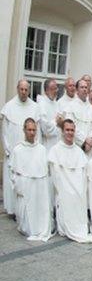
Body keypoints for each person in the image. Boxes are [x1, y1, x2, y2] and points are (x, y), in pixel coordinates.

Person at [47, 120, 92, 242]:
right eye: (67, 130)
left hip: (78, 189)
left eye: (72, 130)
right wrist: (67, 189)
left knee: (79, 199)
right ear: (62, 131)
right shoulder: (55, 150)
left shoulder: (79, 151)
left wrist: (78, 189)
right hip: (63, 190)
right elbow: (56, 174)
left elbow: (83, 173)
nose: (70, 132)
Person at [9, 118, 54, 241]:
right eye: (29, 129)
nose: (32, 132)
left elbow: (45, 172)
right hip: (26, 186)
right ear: (24, 130)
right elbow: (13, 173)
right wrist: (20, 186)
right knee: (28, 226)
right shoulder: (18, 150)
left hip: (39, 187)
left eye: (34, 130)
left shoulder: (42, 149)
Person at [2, 80, 41, 214]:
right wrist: (8, 150)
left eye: (26, 90)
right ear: (17, 89)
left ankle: (27, 209)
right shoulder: (9, 106)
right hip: (13, 151)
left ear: (29, 91)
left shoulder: (35, 107)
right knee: (13, 181)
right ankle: (13, 210)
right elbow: (5, 132)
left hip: (30, 152)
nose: (23, 92)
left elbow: (37, 131)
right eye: (21, 89)